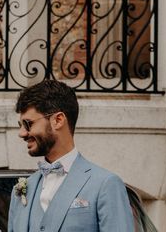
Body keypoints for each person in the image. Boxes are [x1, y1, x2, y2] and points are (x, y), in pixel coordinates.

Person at [8, 80, 135, 232]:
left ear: (58, 120)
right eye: (20, 125)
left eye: (28, 124)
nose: (21, 133)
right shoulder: (22, 190)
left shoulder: (105, 185)